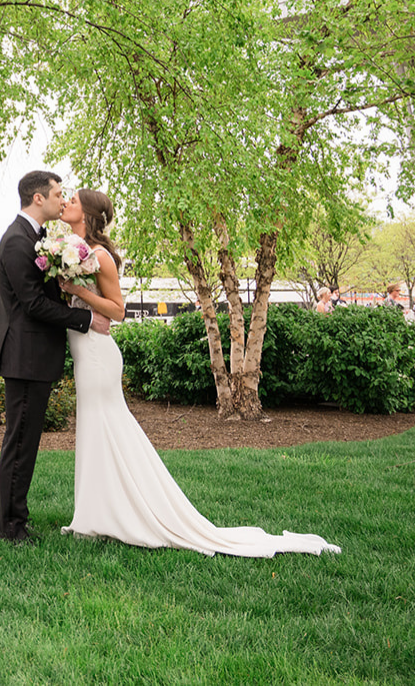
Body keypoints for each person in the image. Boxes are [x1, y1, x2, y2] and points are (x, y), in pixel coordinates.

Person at [57, 188, 340, 557]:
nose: (66, 204)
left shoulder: (99, 257)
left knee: (105, 425)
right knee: (94, 429)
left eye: (74, 201)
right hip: (84, 350)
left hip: (98, 355)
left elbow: (118, 310)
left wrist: (76, 288)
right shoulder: (72, 251)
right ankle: (95, 514)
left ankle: (119, 514)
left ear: (89, 214)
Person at [0, 170, 109, 545]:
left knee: (26, 440)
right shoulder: (16, 241)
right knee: (21, 441)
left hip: (35, 356)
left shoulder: (38, 239)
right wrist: (86, 318)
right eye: (59, 194)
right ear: (38, 198)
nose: (63, 199)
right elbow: (33, 305)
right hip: (25, 356)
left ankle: (17, 518)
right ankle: (12, 527)